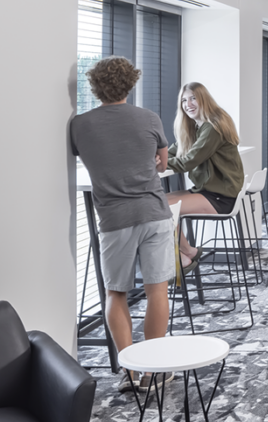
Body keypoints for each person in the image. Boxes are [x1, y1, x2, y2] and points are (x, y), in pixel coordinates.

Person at [69, 57, 179, 392]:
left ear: (94, 87)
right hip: (153, 213)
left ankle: (130, 372)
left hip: (114, 219)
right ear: (130, 85)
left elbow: (84, 156)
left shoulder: (79, 125)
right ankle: (153, 371)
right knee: (156, 290)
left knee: (115, 292)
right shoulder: (148, 118)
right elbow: (162, 162)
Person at [167, 83, 245, 233]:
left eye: (193, 98)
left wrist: (157, 164)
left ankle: (186, 253)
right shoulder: (196, 127)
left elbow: (188, 162)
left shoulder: (213, 127)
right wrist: (152, 158)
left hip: (220, 197)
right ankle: (184, 254)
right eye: (184, 100)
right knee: (156, 202)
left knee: (162, 208)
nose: (188, 104)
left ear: (204, 99)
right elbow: (174, 152)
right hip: (207, 190)